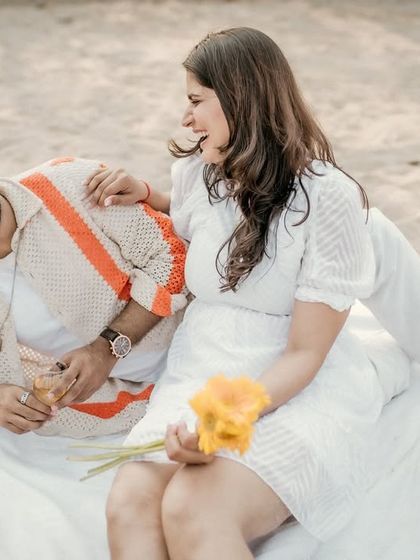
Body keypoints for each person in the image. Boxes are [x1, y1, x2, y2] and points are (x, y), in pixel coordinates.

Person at [85, 28, 418, 559]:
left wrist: (223, 421)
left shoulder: (328, 199)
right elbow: (207, 224)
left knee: (192, 508)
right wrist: (149, 194)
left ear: (240, 97)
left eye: (196, 100)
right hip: (199, 374)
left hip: (290, 390)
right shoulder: (203, 175)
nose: (185, 118)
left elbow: (306, 352)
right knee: (130, 502)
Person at [0, 156, 187, 438]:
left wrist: (105, 350)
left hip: (208, 341)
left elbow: (172, 257)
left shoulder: (72, 182)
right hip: (133, 408)